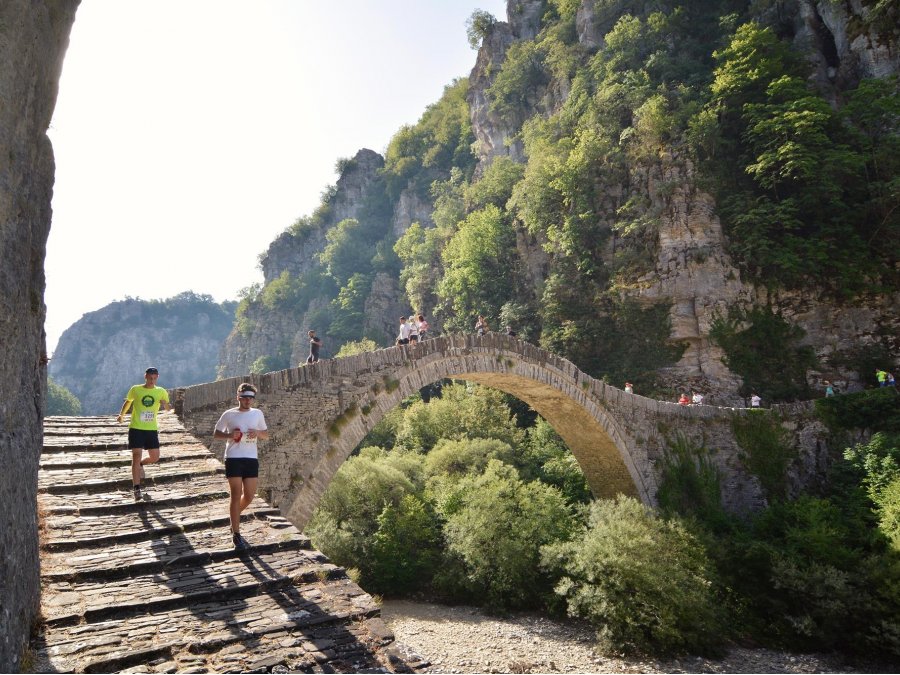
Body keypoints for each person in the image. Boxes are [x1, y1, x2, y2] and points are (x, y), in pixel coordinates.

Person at [213, 383, 269, 550]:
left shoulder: (257, 414)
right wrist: (230, 435)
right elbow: (216, 434)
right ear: (238, 397)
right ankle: (236, 534)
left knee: (250, 495)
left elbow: (266, 435)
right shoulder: (229, 414)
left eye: (251, 398)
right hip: (233, 458)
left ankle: (233, 518)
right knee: (236, 494)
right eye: (245, 397)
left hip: (251, 458)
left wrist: (257, 433)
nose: (248, 401)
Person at [116, 367, 173, 502]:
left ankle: (141, 464)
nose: (152, 381)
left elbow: (168, 409)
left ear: (157, 377)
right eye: (149, 378)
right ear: (145, 376)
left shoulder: (161, 392)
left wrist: (165, 405)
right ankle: (136, 488)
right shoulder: (136, 389)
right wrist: (121, 415)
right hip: (136, 428)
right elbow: (128, 402)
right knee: (136, 456)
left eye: (154, 378)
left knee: (155, 457)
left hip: (151, 429)